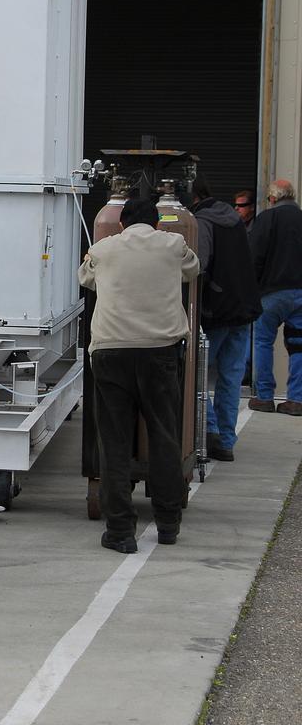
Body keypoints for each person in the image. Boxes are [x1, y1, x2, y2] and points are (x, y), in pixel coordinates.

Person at [79, 197, 200, 553]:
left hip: (111, 352)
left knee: (114, 442)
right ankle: (167, 522)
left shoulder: (102, 248)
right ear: (159, 223)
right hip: (160, 353)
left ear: (121, 224)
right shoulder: (174, 244)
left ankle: (119, 532)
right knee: (164, 436)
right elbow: (193, 271)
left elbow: (85, 278)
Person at [190, 176, 261, 461]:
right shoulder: (233, 218)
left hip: (217, 310)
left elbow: (199, 264)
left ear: (192, 198)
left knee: (197, 374)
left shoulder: (203, 221)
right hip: (243, 307)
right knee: (231, 378)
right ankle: (227, 441)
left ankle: (212, 432)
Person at [248, 178, 302, 415]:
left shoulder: (266, 219)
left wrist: (252, 289)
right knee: (299, 346)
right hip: (301, 293)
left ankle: (264, 397)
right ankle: (297, 400)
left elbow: (254, 257)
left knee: (262, 342)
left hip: (271, 293)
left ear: (272, 198)